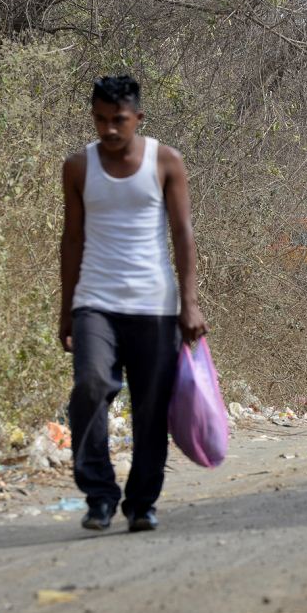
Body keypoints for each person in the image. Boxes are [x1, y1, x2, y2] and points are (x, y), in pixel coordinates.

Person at [59, 75, 208, 532]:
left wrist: (190, 304)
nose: (108, 129)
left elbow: (182, 234)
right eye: (100, 119)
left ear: (137, 118)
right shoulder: (78, 167)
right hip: (95, 302)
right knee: (89, 387)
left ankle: (142, 502)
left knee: (150, 406)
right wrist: (66, 307)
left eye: (118, 120)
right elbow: (72, 238)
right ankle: (99, 495)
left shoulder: (165, 162)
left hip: (154, 305)